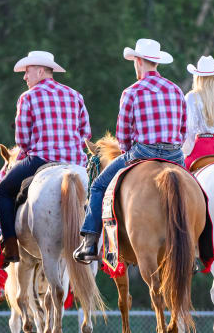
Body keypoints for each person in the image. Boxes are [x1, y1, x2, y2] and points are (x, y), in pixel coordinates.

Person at [74, 38, 187, 263]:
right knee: (197, 192)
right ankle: (196, 248)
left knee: (98, 187)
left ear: (138, 62)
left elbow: (123, 132)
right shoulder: (176, 90)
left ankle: (89, 242)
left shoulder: (132, 91)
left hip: (142, 152)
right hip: (175, 155)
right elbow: (183, 129)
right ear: (156, 62)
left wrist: (127, 150)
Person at [0, 51, 91, 263]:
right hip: (74, 162)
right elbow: (86, 133)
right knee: (100, 196)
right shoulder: (75, 95)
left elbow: (22, 140)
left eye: (27, 71)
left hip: (41, 160)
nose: (24, 77)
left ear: (40, 71)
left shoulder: (27, 97)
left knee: (2, 190)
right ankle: (101, 244)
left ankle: (10, 245)